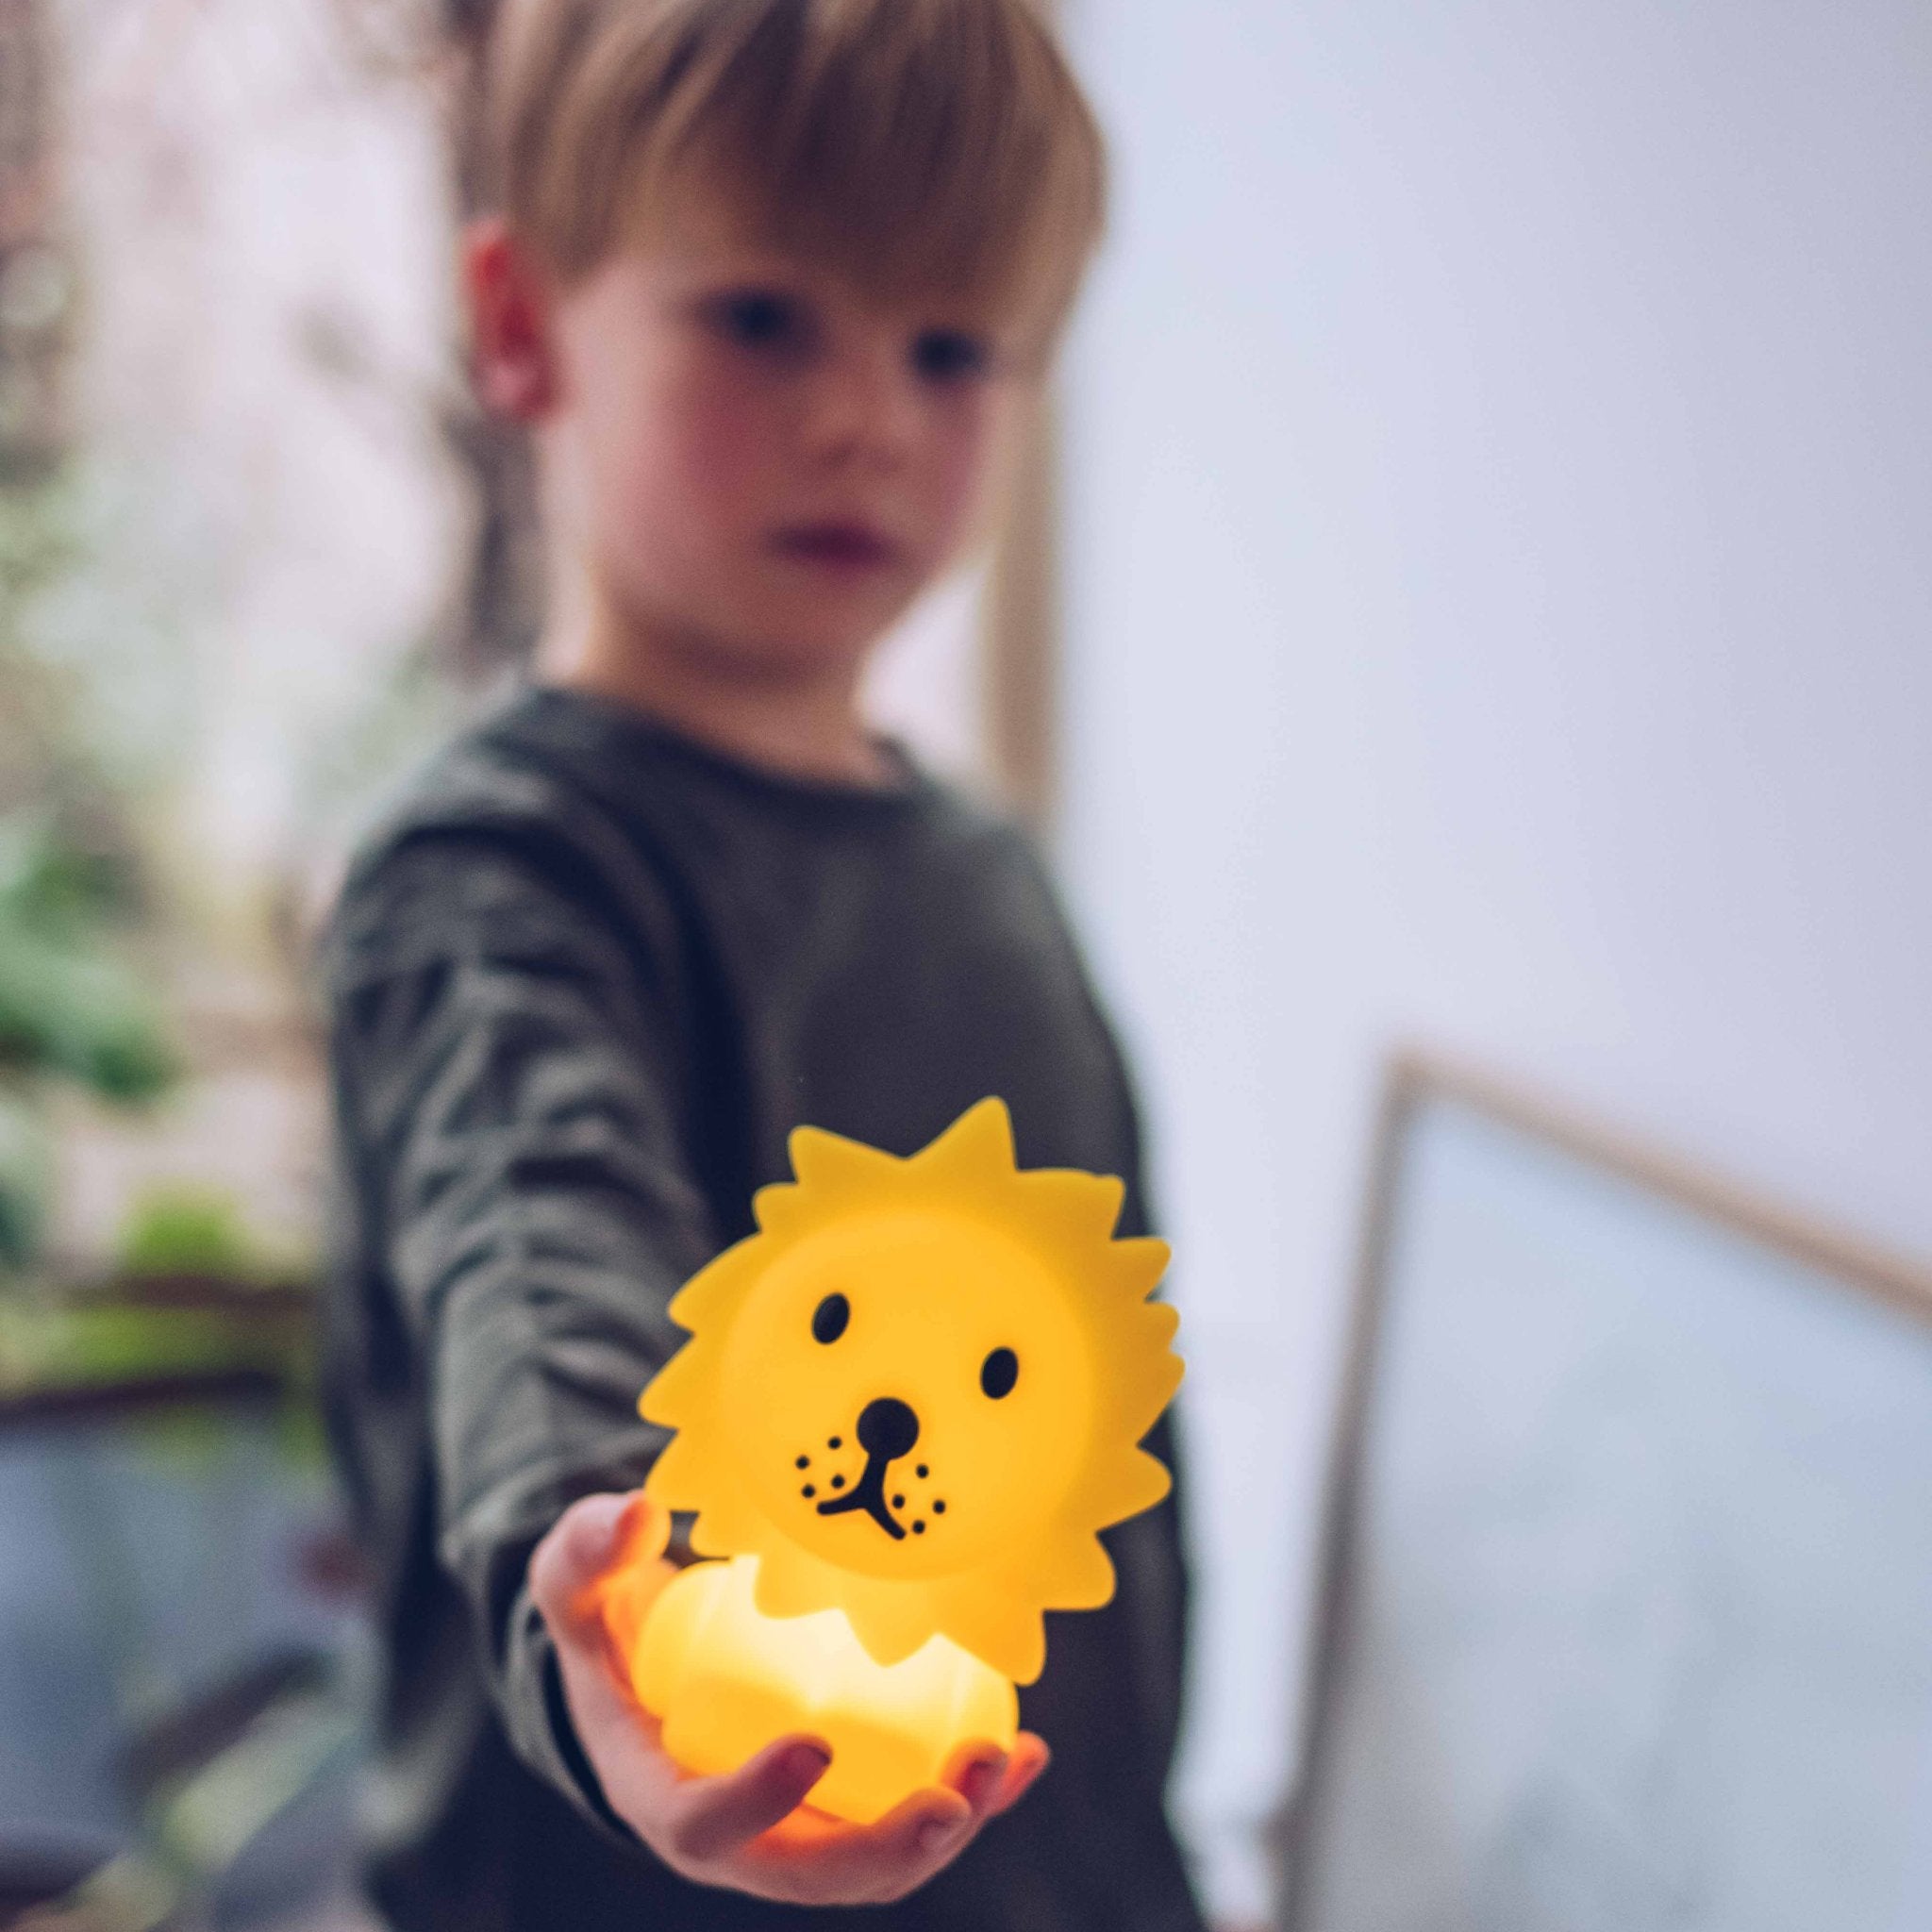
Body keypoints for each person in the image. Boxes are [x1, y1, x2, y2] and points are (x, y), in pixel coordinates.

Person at [316, 2, 1202, 1926]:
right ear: (525, 324)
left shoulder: (990, 877)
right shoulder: (497, 883)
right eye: (763, 318)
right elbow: (539, 1264)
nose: (865, 417)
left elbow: (1107, 1503)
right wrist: (621, 1627)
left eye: (950, 349)